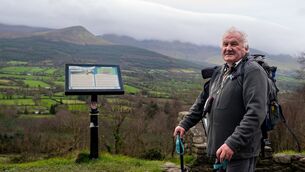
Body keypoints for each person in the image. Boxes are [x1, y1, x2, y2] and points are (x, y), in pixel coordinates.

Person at [173, 27, 268, 172]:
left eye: (234, 44)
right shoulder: (220, 71)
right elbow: (202, 103)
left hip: (240, 153)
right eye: (225, 44)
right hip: (221, 151)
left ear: (245, 48)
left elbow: (256, 113)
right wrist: (184, 124)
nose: (228, 48)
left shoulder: (252, 71)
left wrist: (232, 143)